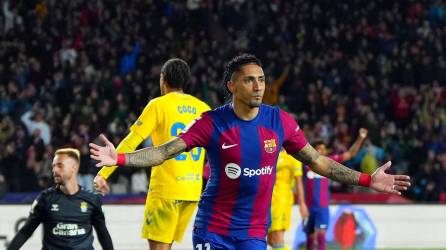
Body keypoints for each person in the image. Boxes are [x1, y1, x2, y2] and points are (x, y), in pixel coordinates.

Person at [89, 54, 411, 250]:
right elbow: (163, 152)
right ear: (232, 85)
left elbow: (319, 162)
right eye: (249, 81)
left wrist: (368, 179)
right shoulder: (211, 122)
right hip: (213, 228)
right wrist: (119, 158)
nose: (258, 86)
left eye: (261, 80)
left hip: (254, 233)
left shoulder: (280, 121)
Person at [93, 58, 211, 250]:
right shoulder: (203, 108)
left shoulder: (158, 105)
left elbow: (132, 141)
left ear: (163, 79)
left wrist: (103, 173)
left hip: (166, 190)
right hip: (191, 192)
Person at [7, 148, 113, 250]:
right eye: (53, 166)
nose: (54, 170)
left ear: (74, 168)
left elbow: (103, 235)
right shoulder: (45, 199)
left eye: (60, 166)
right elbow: (25, 232)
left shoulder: (92, 199)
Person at [303, 128, 368, 250]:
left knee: (321, 236)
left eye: (323, 148)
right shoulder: (305, 164)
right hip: (308, 208)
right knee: (310, 239)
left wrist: (360, 138)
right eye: (318, 148)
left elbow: (350, 154)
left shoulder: (328, 162)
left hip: (322, 207)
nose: (321, 150)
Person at [267, 149, 308, 250]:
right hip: (266, 199)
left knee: (277, 236)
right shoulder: (270, 152)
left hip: (282, 199)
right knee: (271, 239)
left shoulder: (294, 157)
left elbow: (299, 182)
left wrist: (302, 203)